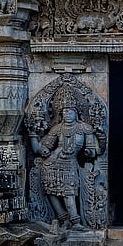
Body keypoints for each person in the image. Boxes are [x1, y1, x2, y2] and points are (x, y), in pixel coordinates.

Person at [30, 89, 99, 229]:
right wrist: (33, 134)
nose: (67, 113)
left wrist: (89, 152)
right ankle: (64, 219)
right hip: (50, 163)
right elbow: (41, 148)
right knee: (51, 191)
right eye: (64, 111)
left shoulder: (85, 128)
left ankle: (76, 222)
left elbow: (94, 150)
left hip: (70, 163)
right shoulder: (57, 128)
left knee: (69, 192)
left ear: (77, 113)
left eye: (70, 111)